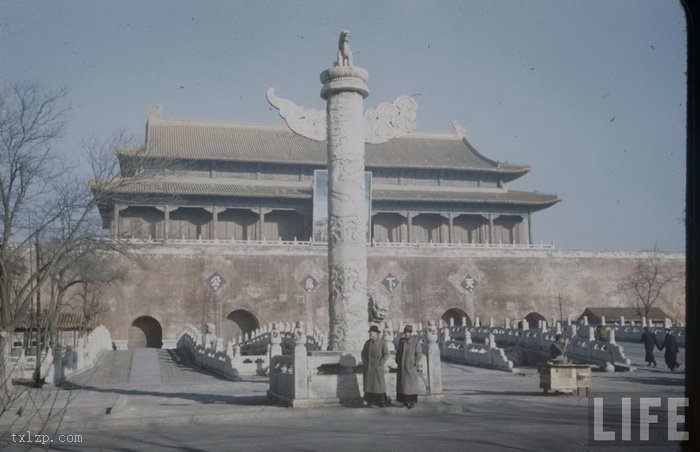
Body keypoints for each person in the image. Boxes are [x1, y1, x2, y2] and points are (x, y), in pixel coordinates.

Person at [395, 325, 423, 409]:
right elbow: (398, 352)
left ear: (411, 333)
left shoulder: (415, 342)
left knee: (411, 385)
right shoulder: (401, 341)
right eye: (405, 332)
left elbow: (419, 354)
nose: (406, 334)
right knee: (403, 385)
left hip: (410, 367)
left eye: (408, 332)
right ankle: (404, 402)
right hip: (402, 367)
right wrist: (397, 360)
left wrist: (414, 362)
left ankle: (411, 402)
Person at [361, 325, 389, 407]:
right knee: (369, 385)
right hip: (369, 368)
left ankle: (381, 401)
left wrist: (381, 363)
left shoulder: (382, 343)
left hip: (377, 368)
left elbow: (386, 354)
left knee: (379, 386)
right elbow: (363, 353)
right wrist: (365, 362)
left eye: (372, 332)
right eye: (370, 332)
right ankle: (370, 401)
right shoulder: (367, 343)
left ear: (376, 333)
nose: (370, 334)